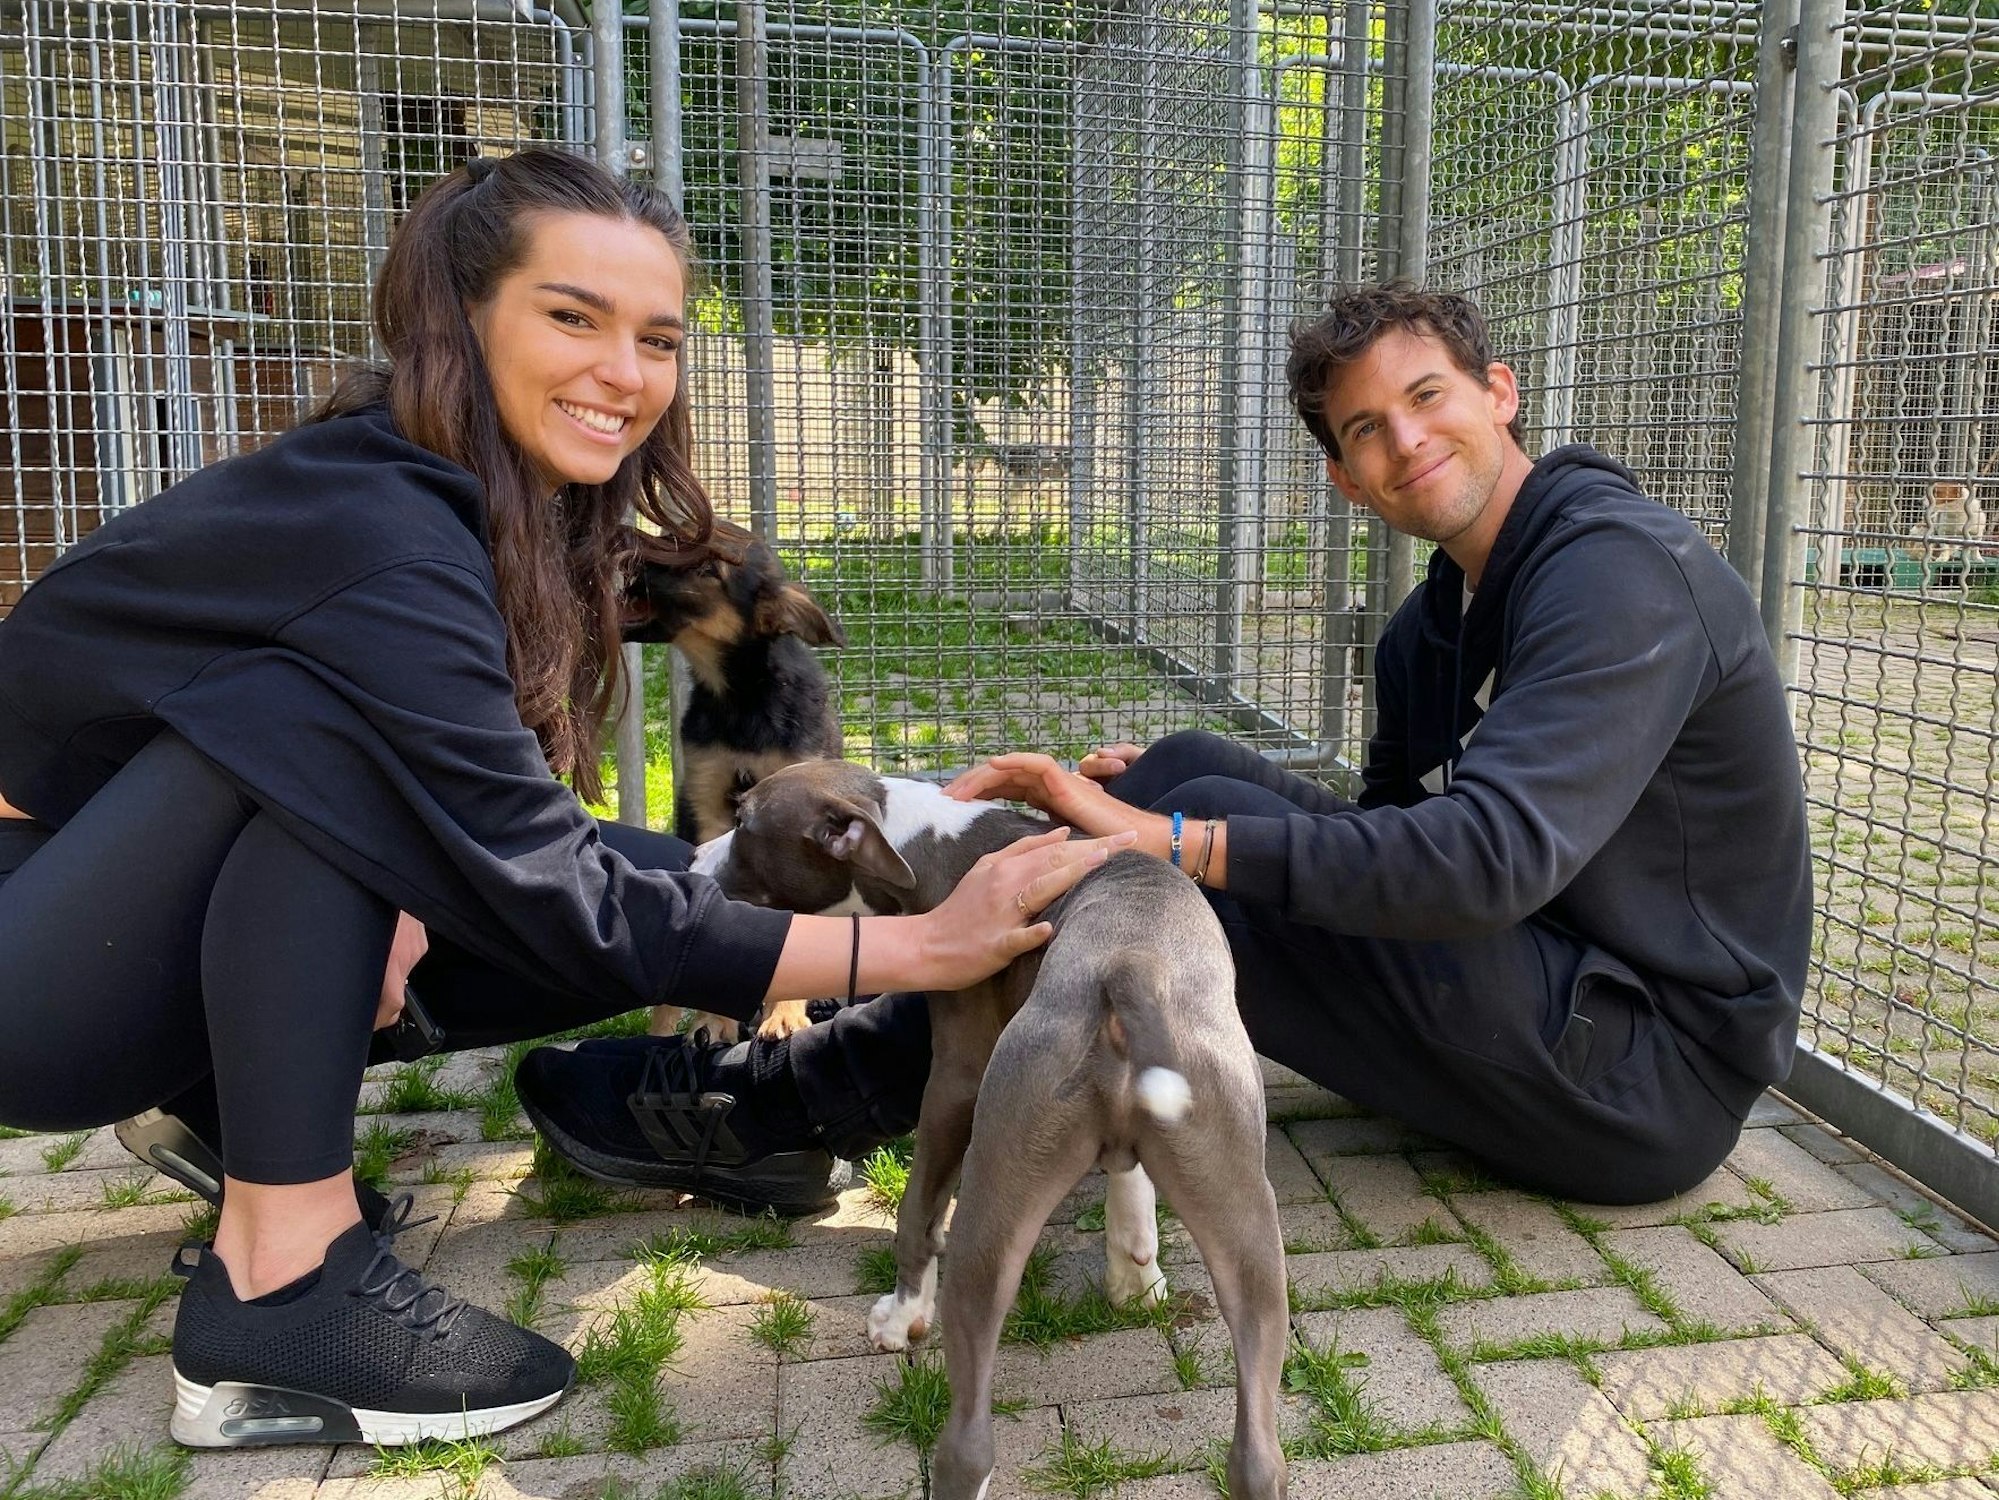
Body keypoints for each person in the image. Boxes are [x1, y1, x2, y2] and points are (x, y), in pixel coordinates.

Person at [0, 148, 1126, 1449]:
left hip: (109, 929)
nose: (625, 372)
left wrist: (397, 883)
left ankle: (223, 1101)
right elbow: (554, 891)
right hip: (38, 982)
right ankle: (283, 1283)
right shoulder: (380, 535)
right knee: (340, 752)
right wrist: (921, 947)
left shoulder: (459, 498)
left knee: (659, 865)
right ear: (461, 318)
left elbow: (558, 867)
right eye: (573, 317)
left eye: (658, 338)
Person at [523, 281, 1811, 1212]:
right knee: (1177, 765)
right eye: (1365, 428)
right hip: (1551, 986)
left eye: (1427, 397)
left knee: (1147, 876)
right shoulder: (1432, 627)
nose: (1407, 439)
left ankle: (783, 1110)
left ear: (1500, 395)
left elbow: (1480, 863)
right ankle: (909, 991)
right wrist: (1153, 807)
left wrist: (1167, 845)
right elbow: (1379, 833)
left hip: (1643, 1074)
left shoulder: (1617, 575)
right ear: (1345, 477)